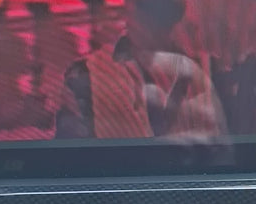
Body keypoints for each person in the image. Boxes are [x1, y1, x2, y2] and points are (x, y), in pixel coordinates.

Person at [56, 0, 227, 141]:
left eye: (163, 15)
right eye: (146, 9)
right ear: (129, 7)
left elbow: (225, 155)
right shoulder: (86, 74)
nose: (153, 25)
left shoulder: (208, 70)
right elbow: (73, 160)